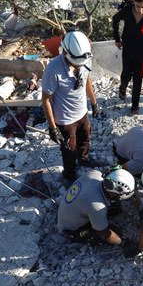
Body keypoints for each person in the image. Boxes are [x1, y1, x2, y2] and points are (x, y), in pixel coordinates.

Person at [42, 31, 101, 182]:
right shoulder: (53, 70)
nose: (79, 65)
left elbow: (87, 81)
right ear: (66, 52)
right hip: (65, 119)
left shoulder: (84, 58)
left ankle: (84, 159)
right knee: (69, 150)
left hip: (82, 112)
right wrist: (52, 127)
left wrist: (94, 103)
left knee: (85, 138)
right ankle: (70, 176)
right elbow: (46, 100)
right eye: (76, 62)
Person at [58, 167, 135, 245]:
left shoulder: (96, 174)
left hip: (70, 210)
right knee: (117, 233)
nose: (120, 198)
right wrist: (122, 243)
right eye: (119, 196)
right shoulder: (97, 207)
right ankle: (78, 236)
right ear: (112, 193)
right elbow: (105, 234)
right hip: (71, 229)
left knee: (116, 207)